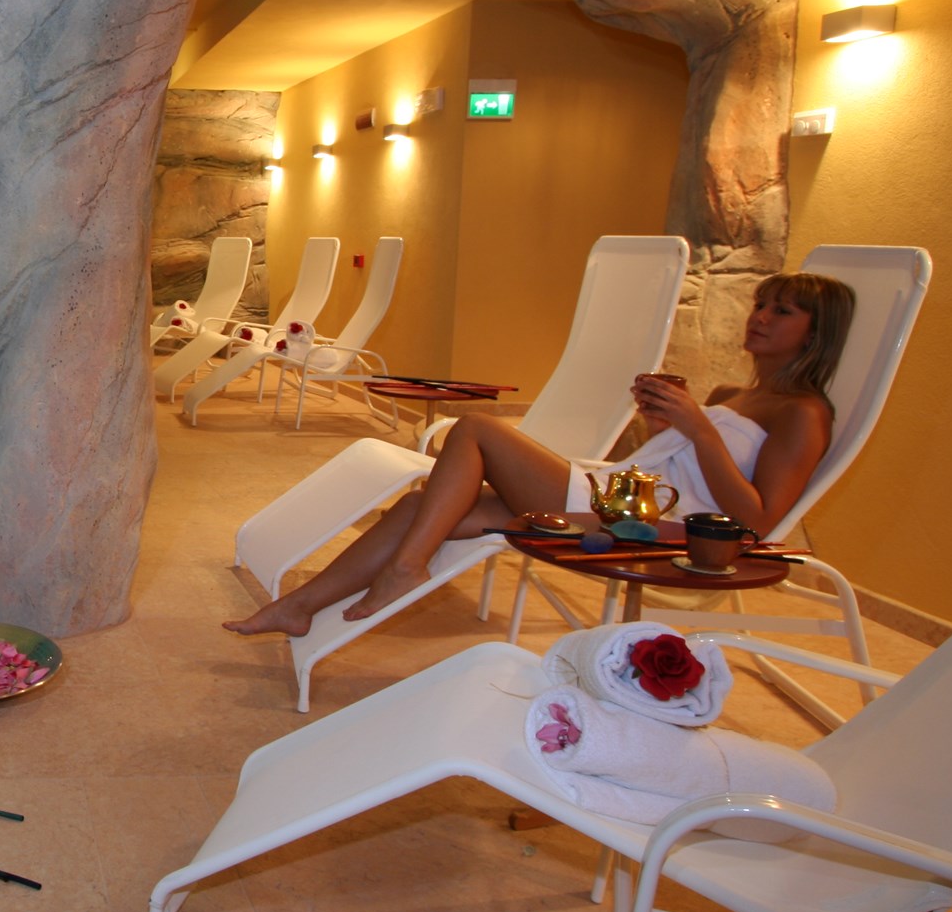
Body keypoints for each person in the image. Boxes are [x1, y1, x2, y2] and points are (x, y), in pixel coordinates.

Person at [224, 272, 854, 638]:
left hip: (656, 529)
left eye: (782, 311)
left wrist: (699, 431)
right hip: (624, 496)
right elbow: (675, 466)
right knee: (423, 506)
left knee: (476, 429)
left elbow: (758, 523)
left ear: (815, 333)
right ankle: (299, 608)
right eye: (760, 304)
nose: (760, 317)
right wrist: (666, 424)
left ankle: (407, 567)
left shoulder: (803, 414)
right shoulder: (732, 394)